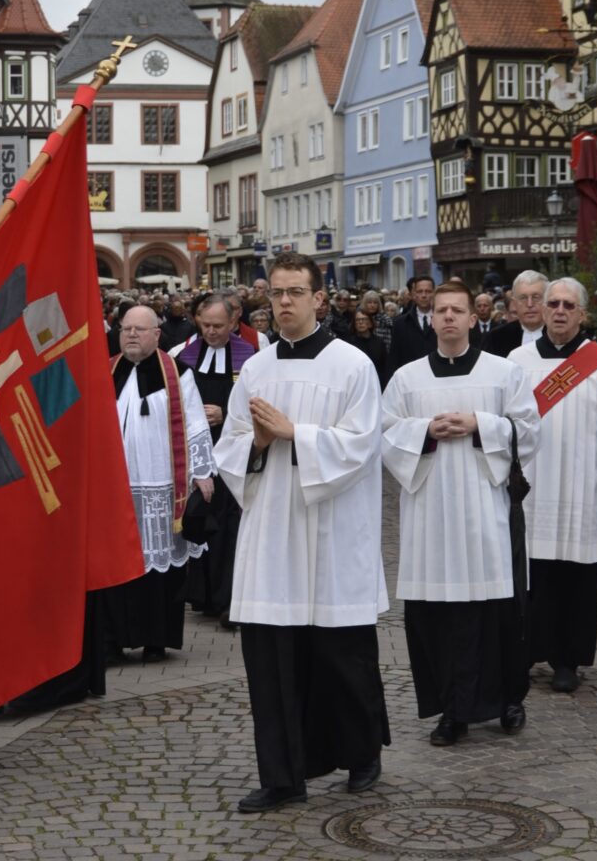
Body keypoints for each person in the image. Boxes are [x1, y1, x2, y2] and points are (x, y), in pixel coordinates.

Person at [215, 252, 389, 812]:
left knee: (342, 653)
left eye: (296, 292)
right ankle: (283, 776)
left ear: (319, 298)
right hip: (272, 532)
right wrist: (261, 444)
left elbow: (363, 446)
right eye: (277, 293)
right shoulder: (258, 370)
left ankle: (361, 754)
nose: (284, 302)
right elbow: (230, 451)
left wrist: (295, 433)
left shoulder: (353, 366)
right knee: (272, 661)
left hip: (333, 531)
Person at [382, 280, 539, 746]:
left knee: (496, 612)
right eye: (440, 310)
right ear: (430, 319)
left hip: (485, 513)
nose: (448, 317)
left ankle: (508, 700)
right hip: (429, 514)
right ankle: (451, 710)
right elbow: (385, 436)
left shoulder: (503, 373)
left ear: (474, 319)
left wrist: (479, 424)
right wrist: (425, 430)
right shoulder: (407, 378)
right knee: (438, 617)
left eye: (458, 310)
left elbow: (530, 432)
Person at [509, 278, 597, 693]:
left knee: (577, 581)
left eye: (569, 304)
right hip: (531, 492)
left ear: (583, 313)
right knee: (532, 579)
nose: (560, 311)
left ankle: (567, 660)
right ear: (541, 310)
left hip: (583, 492)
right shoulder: (517, 361)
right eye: (553, 303)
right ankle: (525, 653)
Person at [103, 306, 215, 662]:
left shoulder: (178, 374)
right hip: (117, 486)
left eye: (140, 329)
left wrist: (202, 472)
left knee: (161, 567)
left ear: (156, 334)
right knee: (119, 563)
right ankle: (117, 638)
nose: (132, 335)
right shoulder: (108, 370)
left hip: (163, 486)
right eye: (126, 329)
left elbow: (195, 423)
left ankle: (155, 639)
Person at [171, 294, 256, 625]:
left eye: (218, 326)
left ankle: (228, 598)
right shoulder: (183, 355)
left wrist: (227, 415)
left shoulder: (251, 356)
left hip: (232, 449)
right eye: (205, 324)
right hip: (197, 452)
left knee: (231, 524)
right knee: (199, 518)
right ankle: (203, 594)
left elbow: (259, 401)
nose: (211, 332)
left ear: (234, 323)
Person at [483, 270, 547, 358]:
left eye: (536, 297)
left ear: (547, 300)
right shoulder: (496, 338)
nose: (529, 304)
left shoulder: (561, 336)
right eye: (523, 298)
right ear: (514, 303)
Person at [387, 276, 437, 377]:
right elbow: (394, 357)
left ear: (434, 294)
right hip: (410, 378)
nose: (424, 295)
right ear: (413, 295)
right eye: (420, 291)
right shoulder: (400, 323)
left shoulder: (443, 320)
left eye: (428, 291)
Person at [352, 308, 388, 388]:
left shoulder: (379, 342)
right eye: (358, 320)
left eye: (364, 319)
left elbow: (384, 365)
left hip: (377, 382)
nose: (361, 322)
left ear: (370, 323)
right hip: (357, 384)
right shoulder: (350, 343)